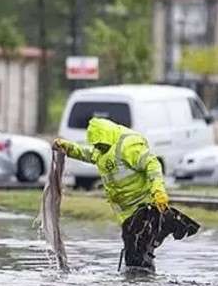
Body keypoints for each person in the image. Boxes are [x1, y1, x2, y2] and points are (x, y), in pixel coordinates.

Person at [53, 117, 199, 273]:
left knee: (136, 251)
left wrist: (158, 191)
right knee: (136, 250)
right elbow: (87, 154)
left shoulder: (128, 146)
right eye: (96, 145)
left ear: (107, 137)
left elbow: (152, 164)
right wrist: (67, 148)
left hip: (144, 206)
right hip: (127, 214)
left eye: (100, 144)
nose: (98, 148)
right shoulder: (101, 150)